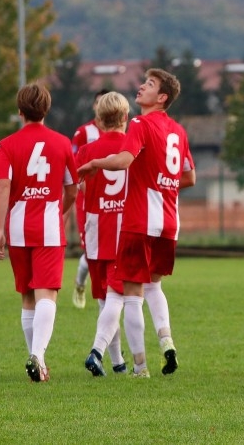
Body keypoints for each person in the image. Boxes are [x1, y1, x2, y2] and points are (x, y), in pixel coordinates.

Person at [79, 68, 196, 378]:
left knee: (130, 294)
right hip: (170, 221)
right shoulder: (179, 132)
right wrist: (162, 184)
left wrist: (94, 163)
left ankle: (140, 366)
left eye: (150, 84)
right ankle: (166, 340)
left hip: (139, 220)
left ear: (162, 98)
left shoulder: (140, 123)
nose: (141, 86)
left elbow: (123, 161)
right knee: (154, 285)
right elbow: (189, 177)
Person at [0, 81, 78, 383]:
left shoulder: (7, 145)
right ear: (47, 109)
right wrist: (61, 209)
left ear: (19, 111)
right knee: (47, 294)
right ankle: (39, 356)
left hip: (17, 228)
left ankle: (37, 361)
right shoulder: (62, 143)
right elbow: (72, 188)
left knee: (28, 296)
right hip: (48, 229)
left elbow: (3, 186)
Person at [76, 91, 130, 376]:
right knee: (118, 298)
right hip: (124, 229)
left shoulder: (87, 151)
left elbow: (82, 188)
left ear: (99, 118)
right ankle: (97, 352)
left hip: (96, 229)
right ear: (124, 117)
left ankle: (118, 362)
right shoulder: (133, 146)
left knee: (105, 300)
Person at [70, 89, 111, 309]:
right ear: (94, 106)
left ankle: (106, 295)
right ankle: (81, 284)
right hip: (88, 202)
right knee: (91, 252)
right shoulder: (84, 133)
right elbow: (74, 168)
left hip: (111, 203)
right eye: (98, 102)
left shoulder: (121, 135)